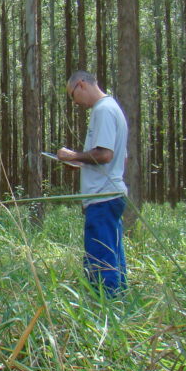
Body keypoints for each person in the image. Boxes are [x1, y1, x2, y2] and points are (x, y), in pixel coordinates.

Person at [57, 71, 129, 296]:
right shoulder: (111, 108)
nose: (75, 103)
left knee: (100, 261)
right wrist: (81, 162)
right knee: (113, 256)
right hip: (108, 196)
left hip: (103, 199)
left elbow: (105, 155)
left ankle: (105, 310)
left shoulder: (103, 110)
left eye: (72, 96)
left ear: (81, 85)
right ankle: (119, 305)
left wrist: (72, 155)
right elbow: (118, 158)